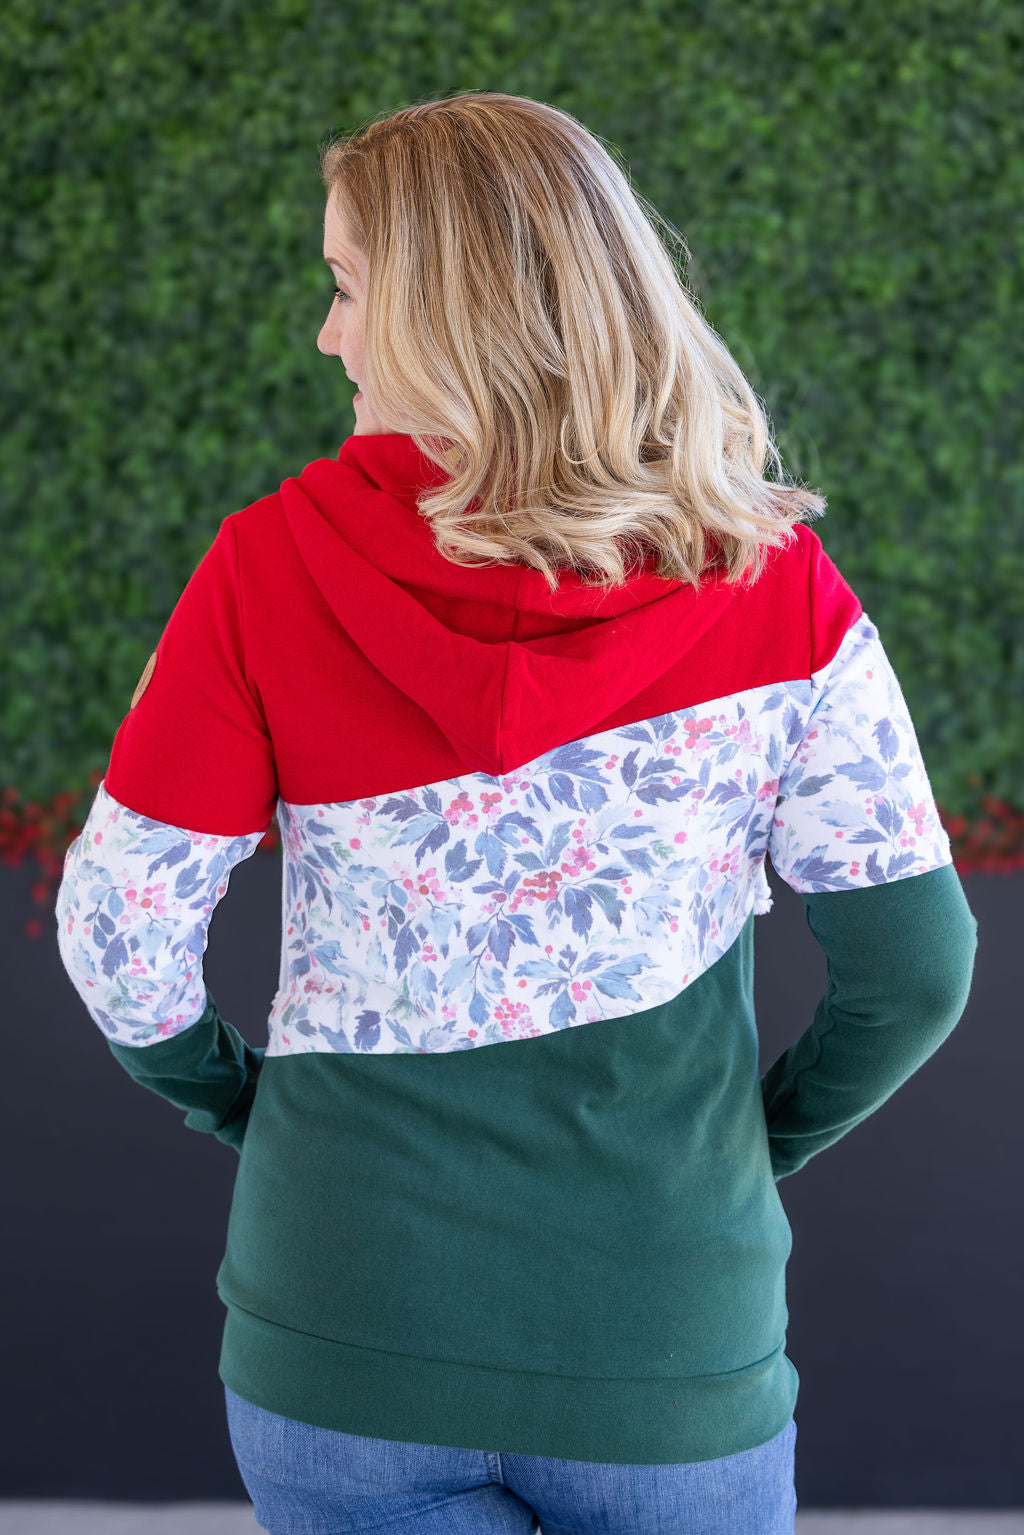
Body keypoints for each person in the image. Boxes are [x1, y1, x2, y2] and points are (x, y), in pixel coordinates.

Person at [54, 91, 978, 1534]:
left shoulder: (265, 570)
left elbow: (121, 935)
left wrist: (247, 1107)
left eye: (347, 287)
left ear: (446, 316)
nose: (328, 336)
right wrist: (756, 1147)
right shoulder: (773, 583)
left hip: (341, 1334)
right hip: (666, 1346)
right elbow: (918, 971)